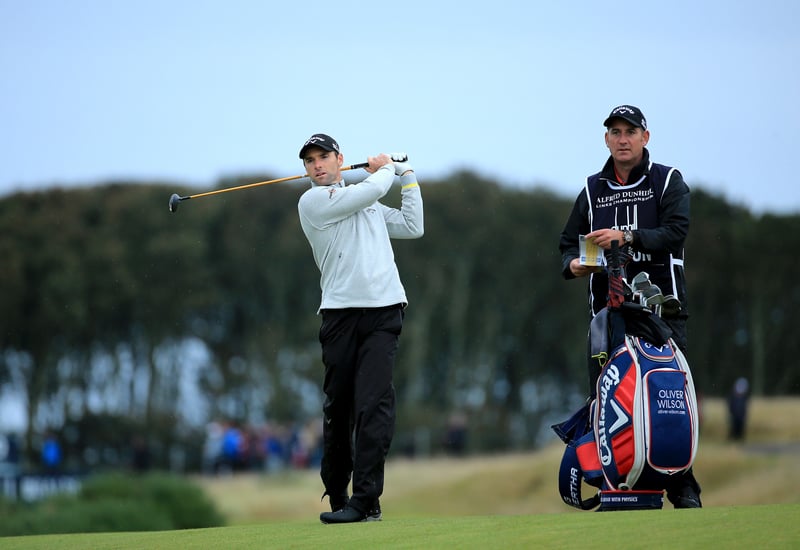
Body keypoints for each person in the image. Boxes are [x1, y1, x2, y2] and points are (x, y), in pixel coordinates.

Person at [558, 105, 702, 509]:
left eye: (630, 132)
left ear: (645, 137)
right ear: (606, 139)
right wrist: (573, 263)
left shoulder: (667, 180)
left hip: (663, 311)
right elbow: (568, 242)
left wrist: (627, 237)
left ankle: (682, 487)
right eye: (615, 132)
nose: (622, 139)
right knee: (608, 399)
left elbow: (676, 232)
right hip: (607, 315)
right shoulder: (591, 189)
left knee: (667, 397)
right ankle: (615, 485)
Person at [296, 133, 424, 524]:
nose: (317, 165)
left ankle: (366, 500)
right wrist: (386, 167)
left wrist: (407, 175)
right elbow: (367, 192)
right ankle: (338, 491)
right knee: (340, 409)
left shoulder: (365, 202)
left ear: (340, 159)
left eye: (324, 157)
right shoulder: (313, 202)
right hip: (339, 316)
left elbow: (412, 224)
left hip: (384, 313)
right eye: (310, 161)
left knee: (374, 406)